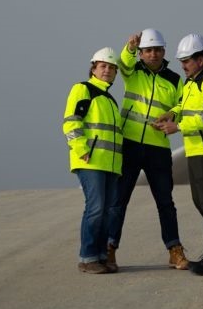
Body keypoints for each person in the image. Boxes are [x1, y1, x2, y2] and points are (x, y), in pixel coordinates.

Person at [107, 29, 189, 271]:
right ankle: (109, 249)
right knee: (118, 201)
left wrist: (172, 114)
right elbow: (123, 62)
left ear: (164, 52)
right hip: (130, 145)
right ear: (142, 54)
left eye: (157, 50)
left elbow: (182, 105)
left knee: (165, 202)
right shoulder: (133, 71)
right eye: (148, 50)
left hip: (158, 148)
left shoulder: (174, 79)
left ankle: (175, 250)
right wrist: (130, 48)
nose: (153, 54)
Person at [154, 33, 203, 276]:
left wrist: (177, 127)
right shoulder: (192, 82)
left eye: (187, 60)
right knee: (202, 202)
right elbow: (185, 107)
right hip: (198, 150)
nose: (183, 65)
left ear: (201, 59)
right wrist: (172, 114)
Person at [63, 47, 123, 274]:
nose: (107, 70)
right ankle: (87, 258)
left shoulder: (109, 100)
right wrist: (81, 149)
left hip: (110, 164)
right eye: (103, 66)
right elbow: (71, 122)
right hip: (90, 161)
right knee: (96, 209)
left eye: (111, 68)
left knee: (106, 211)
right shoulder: (83, 90)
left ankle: (99, 256)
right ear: (94, 68)